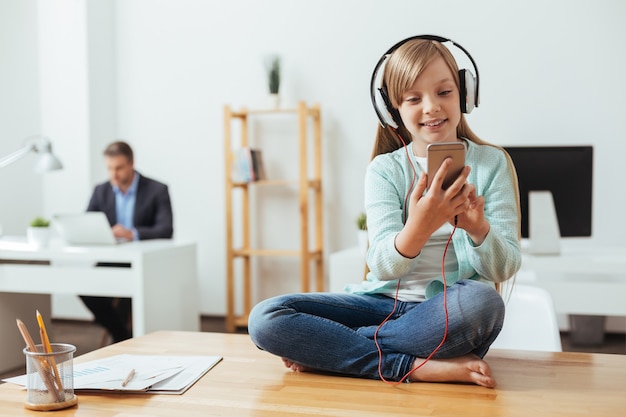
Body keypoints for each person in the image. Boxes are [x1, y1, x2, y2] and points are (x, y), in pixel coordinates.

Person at [248, 36, 521, 388]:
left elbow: (505, 266)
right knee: (266, 318)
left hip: (444, 315)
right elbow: (381, 263)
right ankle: (415, 366)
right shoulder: (385, 170)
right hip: (380, 304)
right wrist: (420, 225)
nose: (431, 107)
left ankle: (333, 350)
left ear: (465, 94)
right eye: (413, 98)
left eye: (444, 92)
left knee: (485, 302)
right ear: (392, 109)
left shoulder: (491, 163)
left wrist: (478, 228)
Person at [81, 140, 174, 343]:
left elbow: (166, 229)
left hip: (145, 261)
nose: (114, 174)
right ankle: (122, 335)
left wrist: (132, 233)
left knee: (129, 291)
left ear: (131, 164)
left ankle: (123, 337)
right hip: (112, 258)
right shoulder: (101, 190)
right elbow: (87, 223)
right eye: (109, 168)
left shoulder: (157, 190)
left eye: (119, 168)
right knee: (84, 286)